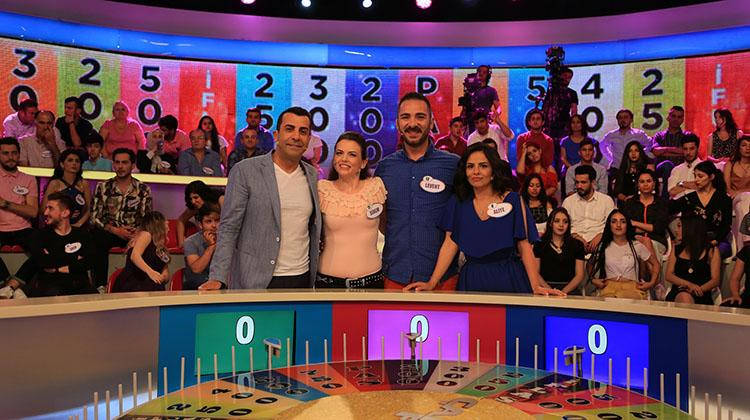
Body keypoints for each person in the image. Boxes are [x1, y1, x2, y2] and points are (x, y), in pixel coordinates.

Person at [403, 143, 562, 295]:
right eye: (470, 166)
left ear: (493, 172)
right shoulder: (458, 202)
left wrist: (535, 286)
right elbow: (450, 244)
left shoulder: (513, 200)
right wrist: (432, 282)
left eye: (483, 166)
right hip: (472, 279)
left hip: (509, 277)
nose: (476, 171)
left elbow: (524, 246)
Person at [205, 106, 321, 290]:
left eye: (303, 131)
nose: (296, 136)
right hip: (256, 280)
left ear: (308, 140)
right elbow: (229, 227)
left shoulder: (312, 175)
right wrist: (217, 276)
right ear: (276, 135)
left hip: (302, 279)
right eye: (289, 129)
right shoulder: (245, 171)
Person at [375, 92, 460, 290]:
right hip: (395, 275)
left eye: (420, 117)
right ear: (397, 123)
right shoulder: (385, 168)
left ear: (431, 122)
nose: (412, 124)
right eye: (406, 117)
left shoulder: (453, 165)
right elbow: (382, 219)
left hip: (443, 279)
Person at [316, 131, 387, 289]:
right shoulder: (322, 189)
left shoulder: (376, 187)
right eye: (339, 153)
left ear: (363, 163)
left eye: (352, 154)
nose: (344, 159)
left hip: (372, 282)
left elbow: (387, 227)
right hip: (328, 284)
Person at [90, 148, 152, 288]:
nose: (120, 166)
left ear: (132, 165)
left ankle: (140, 286)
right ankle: (100, 286)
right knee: (97, 237)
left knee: (147, 240)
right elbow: (94, 217)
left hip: (134, 233)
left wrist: (136, 233)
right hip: (110, 232)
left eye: (124, 162)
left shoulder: (143, 189)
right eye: (117, 162)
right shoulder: (103, 187)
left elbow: (146, 218)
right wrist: (115, 230)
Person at [27, 192, 95, 297]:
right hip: (51, 286)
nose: (45, 212)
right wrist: (75, 258)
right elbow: (42, 261)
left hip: (80, 286)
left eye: (50, 208)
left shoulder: (82, 235)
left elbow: (90, 262)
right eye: (46, 208)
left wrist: (56, 266)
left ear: (65, 213)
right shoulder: (40, 235)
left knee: (97, 299)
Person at [588, 210, 659, 299]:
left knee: (623, 298)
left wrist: (651, 283)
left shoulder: (637, 245)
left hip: (632, 288)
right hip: (609, 288)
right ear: (609, 225)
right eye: (614, 221)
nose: (618, 225)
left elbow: (656, 264)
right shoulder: (603, 246)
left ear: (627, 225)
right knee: (609, 300)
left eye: (623, 221)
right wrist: (593, 280)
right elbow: (590, 264)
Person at [669, 160, 732, 258]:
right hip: (692, 240)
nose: (696, 180)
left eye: (700, 176)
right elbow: (666, 210)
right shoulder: (689, 198)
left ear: (711, 177)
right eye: (695, 176)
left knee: (713, 253)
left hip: (716, 240)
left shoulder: (724, 199)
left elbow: (726, 225)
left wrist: (715, 241)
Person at [0, 137, 38, 288]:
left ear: (19, 154)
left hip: (23, 229)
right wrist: (20, 207)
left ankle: (13, 284)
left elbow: (33, 211)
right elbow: (26, 208)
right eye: (5, 153)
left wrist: (5, 203)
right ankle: (6, 285)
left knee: (45, 249)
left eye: (14, 153)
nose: (10, 157)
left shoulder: (28, 179)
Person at [664, 215, 720, 306]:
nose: (676, 230)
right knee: (684, 297)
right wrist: (689, 285)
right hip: (679, 291)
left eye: (679, 226)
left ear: (690, 228)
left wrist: (697, 290)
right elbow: (669, 275)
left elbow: (715, 280)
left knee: (686, 299)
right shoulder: (677, 248)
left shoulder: (712, 250)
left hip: (701, 293)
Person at [111, 211, 170, 292]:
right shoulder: (146, 235)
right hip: (135, 284)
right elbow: (135, 256)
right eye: (165, 222)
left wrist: (163, 277)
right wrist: (151, 272)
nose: (168, 224)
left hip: (152, 286)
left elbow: (165, 272)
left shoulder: (161, 248)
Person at [562, 165, 615, 254]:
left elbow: (612, 224)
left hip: (601, 242)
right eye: (577, 182)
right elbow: (562, 225)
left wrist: (601, 235)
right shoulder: (568, 202)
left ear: (593, 182)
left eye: (583, 182)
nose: (579, 186)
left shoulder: (606, 200)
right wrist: (575, 236)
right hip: (574, 243)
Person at [533, 208, 585, 294]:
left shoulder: (577, 245)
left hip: (570, 289)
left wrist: (563, 292)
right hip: (545, 288)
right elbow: (536, 273)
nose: (561, 225)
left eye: (565, 222)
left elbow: (579, 275)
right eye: (557, 221)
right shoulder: (539, 244)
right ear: (550, 223)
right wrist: (551, 291)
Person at [600, 109, 652, 186]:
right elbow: (602, 146)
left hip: (635, 168)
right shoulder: (612, 135)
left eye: (625, 117)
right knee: (608, 181)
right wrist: (611, 157)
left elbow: (650, 143)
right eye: (620, 118)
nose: (622, 120)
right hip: (617, 167)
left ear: (631, 120)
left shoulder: (638, 134)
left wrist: (642, 155)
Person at [41, 149, 92, 228]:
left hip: (79, 227)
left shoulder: (84, 184)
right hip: (57, 226)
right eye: (70, 160)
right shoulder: (55, 184)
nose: (74, 163)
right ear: (62, 164)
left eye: (77, 161)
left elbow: (89, 209)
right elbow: (44, 209)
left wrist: (79, 224)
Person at [651, 106, 686, 198]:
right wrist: (677, 150)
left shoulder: (687, 136)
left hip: (680, 168)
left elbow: (686, 152)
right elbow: (656, 152)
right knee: (667, 164)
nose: (676, 119)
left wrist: (664, 150)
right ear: (668, 117)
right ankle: (665, 201)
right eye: (673, 116)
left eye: (679, 117)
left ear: (682, 119)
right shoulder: (659, 135)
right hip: (661, 168)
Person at [176, 181, 224, 247]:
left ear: (204, 194)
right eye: (190, 199)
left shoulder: (220, 199)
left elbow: (230, 221)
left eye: (196, 197)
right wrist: (181, 243)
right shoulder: (195, 206)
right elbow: (180, 220)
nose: (193, 202)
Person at [183, 205, 220, 290]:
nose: (214, 225)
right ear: (200, 225)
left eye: (217, 220)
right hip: (196, 286)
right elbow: (197, 269)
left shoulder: (226, 240)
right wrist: (211, 247)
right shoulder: (190, 242)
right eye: (209, 221)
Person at [723, 135, 750, 248]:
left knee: (741, 206)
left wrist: (740, 191)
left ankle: (742, 248)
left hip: (745, 200)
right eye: (744, 145)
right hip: (733, 197)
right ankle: (747, 237)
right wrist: (737, 193)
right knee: (744, 198)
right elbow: (726, 187)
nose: (748, 148)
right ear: (739, 148)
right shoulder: (731, 164)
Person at [612, 141, 655, 205]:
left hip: (643, 202)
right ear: (627, 154)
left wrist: (635, 198)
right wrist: (625, 198)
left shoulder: (647, 169)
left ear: (640, 153)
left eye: (636, 151)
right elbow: (617, 192)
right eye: (630, 151)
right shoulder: (622, 170)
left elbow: (652, 189)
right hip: (626, 203)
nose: (633, 153)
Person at [544, 67, 579, 141]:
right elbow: (545, 108)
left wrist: (572, 125)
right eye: (565, 76)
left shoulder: (572, 93)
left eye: (569, 77)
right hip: (550, 125)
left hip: (564, 125)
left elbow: (574, 111)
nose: (567, 79)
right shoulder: (551, 91)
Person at [723, 221, 750, 308]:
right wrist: (735, 294)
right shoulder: (747, 250)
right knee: (725, 306)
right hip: (748, 297)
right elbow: (735, 279)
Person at [667, 133, 702, 199]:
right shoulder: (676, 170)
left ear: (697, 148)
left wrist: (682, 184)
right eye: (685, 149)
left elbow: (704, 186)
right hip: (678, 203)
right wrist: (693, 186)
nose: (688, 152)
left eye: (691, 149)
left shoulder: (705, 167)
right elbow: (672, 191)